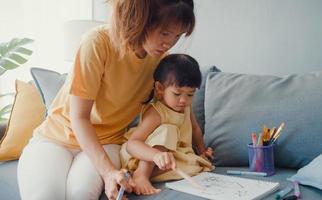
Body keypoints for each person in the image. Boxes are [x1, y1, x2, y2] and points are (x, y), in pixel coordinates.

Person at [17, 0, 197, 199]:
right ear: (140, 20)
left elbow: (173, 111)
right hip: (55, 138)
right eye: (164, 33)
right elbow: (80, 117)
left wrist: (197, 146)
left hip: (108, 142)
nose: (169, 43)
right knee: (45, 195)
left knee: (81, 194)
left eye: (177, 36)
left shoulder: (162, 63)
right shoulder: (97, 43)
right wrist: (108, 172)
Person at [121, 54, 215, 196]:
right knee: (168, 130)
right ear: (159, 88)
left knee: (194, 165)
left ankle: (142, 174)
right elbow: (132, 144)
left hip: (171, 156)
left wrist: (202, 151)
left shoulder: (185, 108)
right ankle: (141, 175)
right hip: (144, 155)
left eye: (190, 95)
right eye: (177, 94)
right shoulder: (156, 112)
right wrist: (155, 155)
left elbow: (195, 129)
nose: (184, 100)